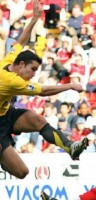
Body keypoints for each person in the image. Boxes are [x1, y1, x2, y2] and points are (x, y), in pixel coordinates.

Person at [0, 0, 88, 180]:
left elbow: (20, 41)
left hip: (5, 113)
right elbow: (43, 91)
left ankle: (70, 146)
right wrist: (70, 85)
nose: (33, 75)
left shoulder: (9, 61)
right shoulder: (11, 81)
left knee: (37, 120)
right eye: (32, 70)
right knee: (22, 172)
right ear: (22, 64)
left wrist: (35, 18)